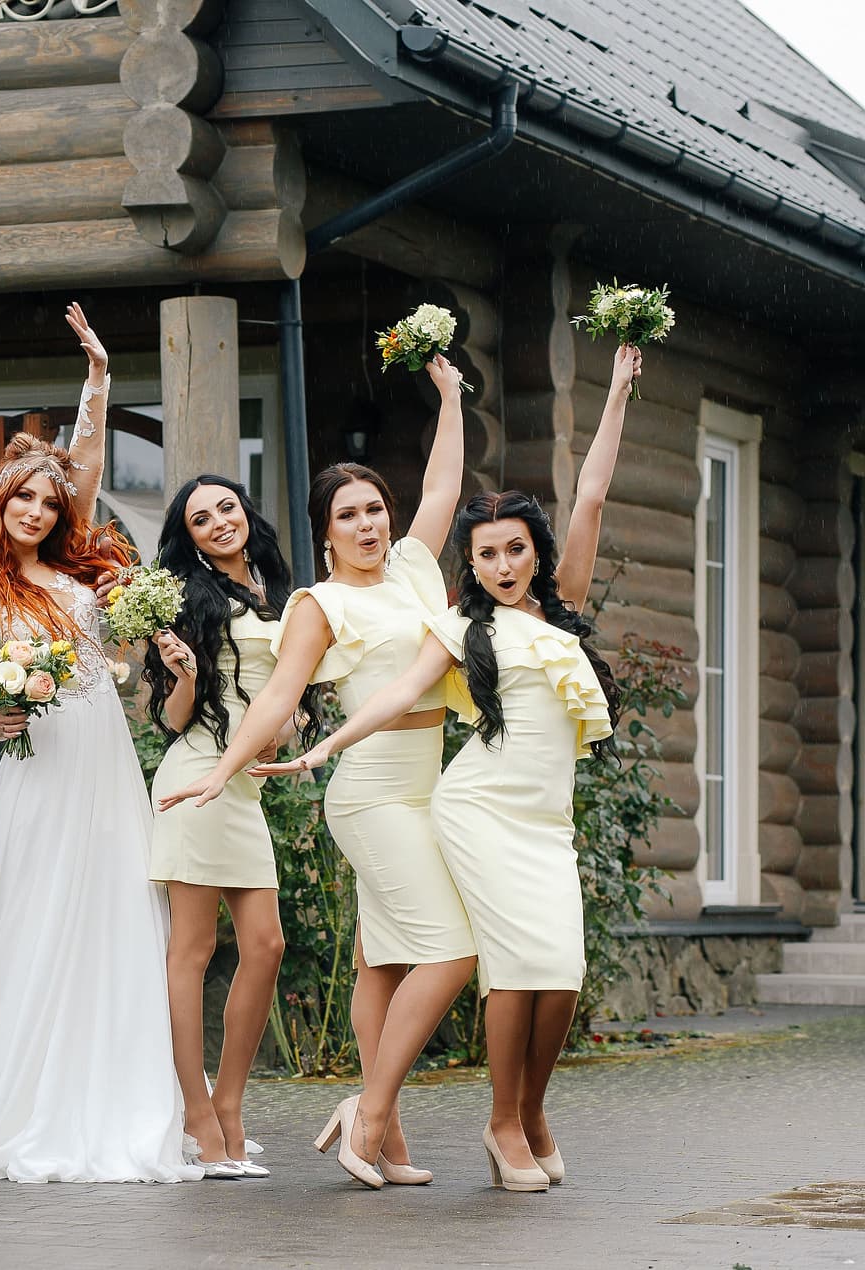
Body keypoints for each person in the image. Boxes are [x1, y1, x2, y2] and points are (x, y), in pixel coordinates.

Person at [260, 344, 642, 1192]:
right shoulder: (458, 627)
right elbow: (394, 697)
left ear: (534, 552)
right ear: (465, 568)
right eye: (485, 557)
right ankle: (503, 1125)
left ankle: (526, 1110)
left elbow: (592, 495)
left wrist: (615, 391)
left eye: (514, 551)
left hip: (544, 819)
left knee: (562, 975)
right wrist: (320, 747)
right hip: (474, 806)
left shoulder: (563, 607)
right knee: (504, 968)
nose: (502, 567)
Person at [158, 356, 471, 1189]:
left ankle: (387, 1137)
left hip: (429, 784)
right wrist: (224, 769)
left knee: (383, 961)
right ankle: (367, 1114)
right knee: (452, 949)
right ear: (323, 532)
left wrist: (448, 399)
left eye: (375, 509)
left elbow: (442, 487)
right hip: (371, 793)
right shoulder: (319, 604)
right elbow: (274, 704)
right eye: (348, 515)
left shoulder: (411, 568)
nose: (367, 524)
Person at [0, 304, 200, 1185]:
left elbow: (84, 459)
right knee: (34, 922)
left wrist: (98, 381)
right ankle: (24, 1103)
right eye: (25, 499)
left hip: (103, 760)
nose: (40, 511)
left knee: (118, 919)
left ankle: (113, 1101)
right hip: (37, 776)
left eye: (51, 501)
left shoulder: (81, 571)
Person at [143, 475, 308, 1178]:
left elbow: (296, 696)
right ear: (190, 536)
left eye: (227, 509)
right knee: (192, 950)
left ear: (247, 511)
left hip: (246, 787)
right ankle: (196, 1112)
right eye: (201, 518)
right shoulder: (185, 599)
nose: (218, 523)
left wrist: (289, 731)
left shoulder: (281, 590)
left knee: (265, 945)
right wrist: (182, 671)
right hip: (197, 777)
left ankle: (231, 1102)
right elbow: (176, 719)